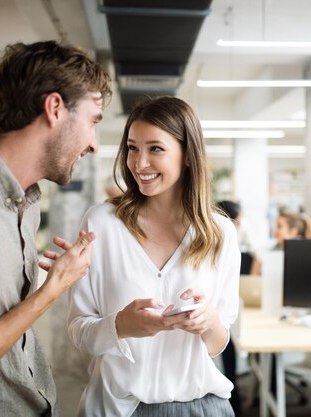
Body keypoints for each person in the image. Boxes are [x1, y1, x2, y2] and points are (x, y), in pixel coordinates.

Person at [0, 41, 111, 416]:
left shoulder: (26, 203)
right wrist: (52, 290)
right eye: (93, 121)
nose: (94, 144)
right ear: (55, 108)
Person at [67, 96, 240, 417]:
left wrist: (208, 321)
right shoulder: (101, 224)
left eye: (155, 149)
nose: (139, 163)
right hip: (117, 408)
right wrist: (121, 325)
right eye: (133, 148)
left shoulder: (220, 233)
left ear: (187, 155)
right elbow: (79, 331)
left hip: (201, 407)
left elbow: (219, 343)